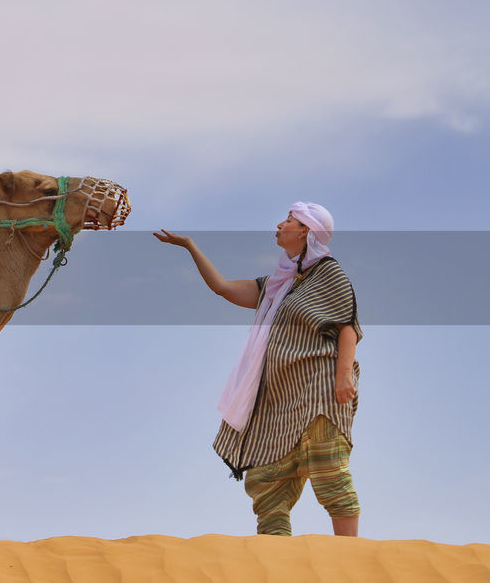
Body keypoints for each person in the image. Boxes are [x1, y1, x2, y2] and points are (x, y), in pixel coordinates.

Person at [155, 203, 362, 537]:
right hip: (277, 398)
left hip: (319, 388)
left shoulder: (328, 273)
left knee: (329, 470)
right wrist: (190, 246)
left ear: (306, 231)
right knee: (268, 482)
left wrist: (342, 375)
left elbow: (346, 325)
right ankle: (275, 568)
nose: (279, 225)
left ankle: (353, 558)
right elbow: (222, 288)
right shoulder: (277, 285)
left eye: (289, 220)